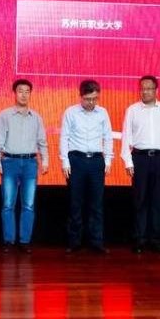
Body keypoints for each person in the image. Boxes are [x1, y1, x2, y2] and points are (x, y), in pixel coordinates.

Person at [121, 75, 160, 254]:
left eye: (149, 88)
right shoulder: (132, 110)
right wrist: (128, 161)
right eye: (142, 89)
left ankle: (156, 240)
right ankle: (139, 239)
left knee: (157, 200)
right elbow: (126, 137)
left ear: (156, 90)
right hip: (140, 158)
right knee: (140, 200)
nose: (145, 92)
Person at [0, 79, 49, 253]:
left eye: (27, 91)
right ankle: (9, 240)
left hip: (30, 163)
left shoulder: (36, 117)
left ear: (30, 94)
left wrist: (45, 160)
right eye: (20, 91)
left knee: (28, 204)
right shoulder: (5, 115)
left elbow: (42, 142)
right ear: (14, 93)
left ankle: (24, 241)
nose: (23, 94)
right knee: (8, 204)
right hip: (9, 162)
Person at [60, 79, 113, 253]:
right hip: (76, 160)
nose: (91, 102)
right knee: (75, 203)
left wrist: (108, 160)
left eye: (94, 99)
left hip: (97, 161)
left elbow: (108, 137)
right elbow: (64, 138)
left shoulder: (103, 113)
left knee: (96, 204)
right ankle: (74, 242)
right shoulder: (71, 112)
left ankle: (96, 242)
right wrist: (65, 161)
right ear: (80, 96)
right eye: (88, 99)